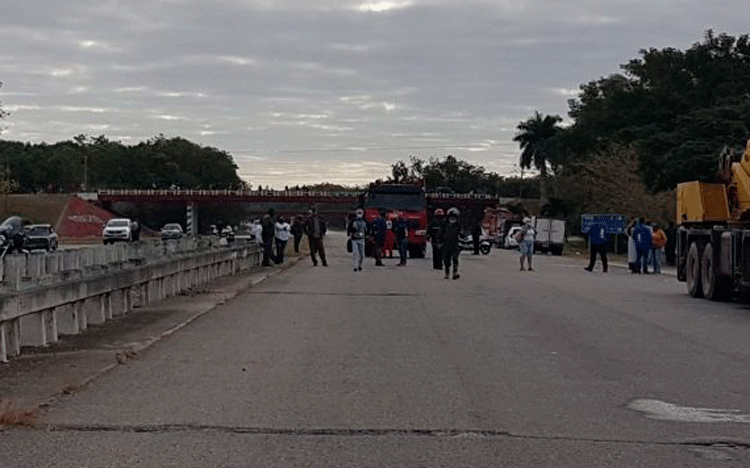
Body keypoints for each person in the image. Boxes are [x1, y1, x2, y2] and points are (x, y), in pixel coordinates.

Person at [441, 207, 461, 279]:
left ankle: (455, 272)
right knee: (447, 259)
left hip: (455, 243)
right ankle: (447, 273)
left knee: (455, 258)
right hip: (446, 243)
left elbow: (461, 232)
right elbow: (441, 233)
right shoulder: (445, 224)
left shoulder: (457, 224)